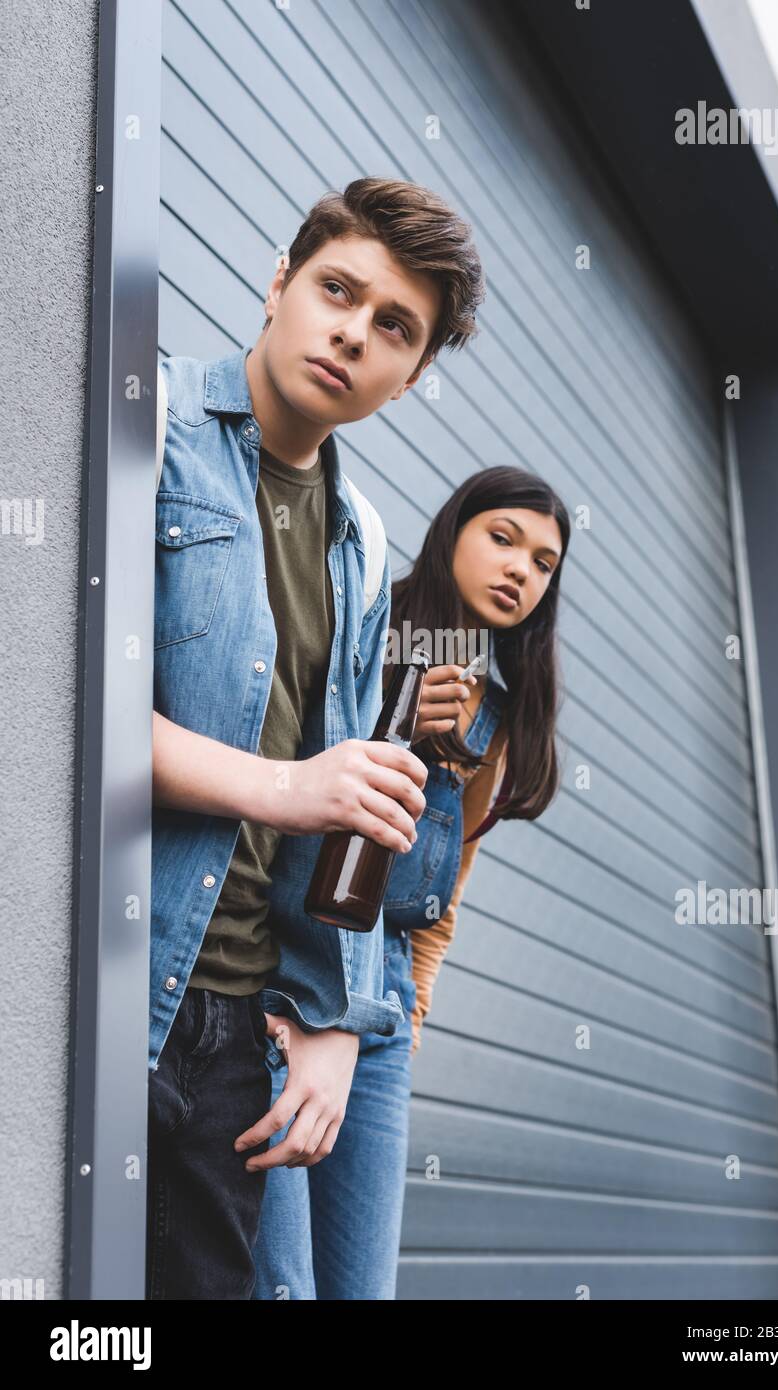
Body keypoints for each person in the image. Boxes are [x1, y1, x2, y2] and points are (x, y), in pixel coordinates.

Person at [148, 176, 485, 1299]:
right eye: (338, 290)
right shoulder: (145, 426)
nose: (355, 333)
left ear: (414, 373)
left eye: (395, 327)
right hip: (119, 980)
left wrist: (332, 1020)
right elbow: (55, 712)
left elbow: (350, 808)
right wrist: (289, 785)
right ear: (279, 282)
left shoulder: (362, 535)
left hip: (241, 1033)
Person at [253, 465, 571, 1298]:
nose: (519, 571)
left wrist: (412, 1012)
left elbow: (442, 897)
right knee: (282, 1282)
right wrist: (388, 710)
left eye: (542, 563)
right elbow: (276, 778)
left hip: (385, 1002)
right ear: (452, 533)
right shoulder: (362, 621)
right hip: (292, 976)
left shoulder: (494, 717)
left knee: (361, 1287)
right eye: (502, 539)